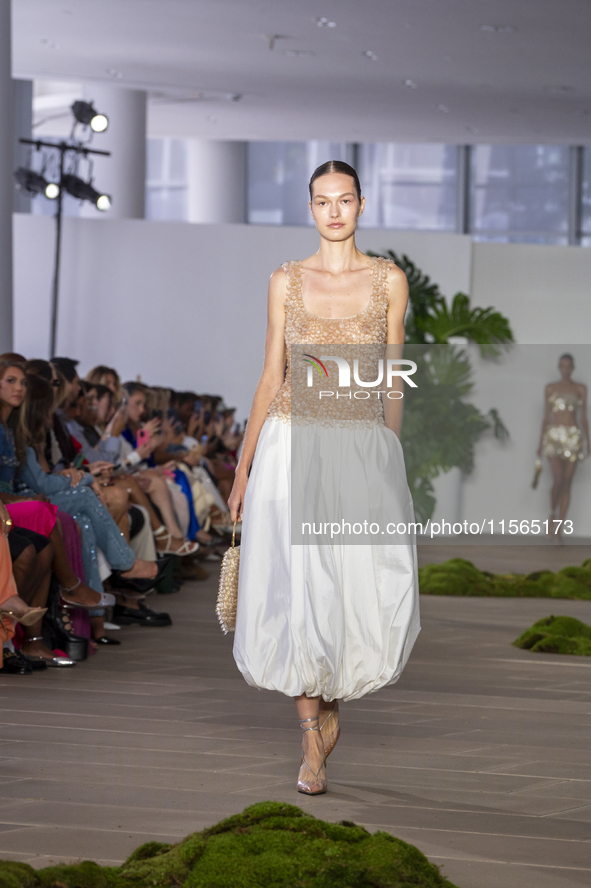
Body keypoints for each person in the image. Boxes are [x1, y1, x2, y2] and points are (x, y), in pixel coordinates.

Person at [229, 160, 420, 796]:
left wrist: (389, 454)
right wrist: (242, 468)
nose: (333, 211)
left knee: (352, 584)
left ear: (362, 205)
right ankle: (310, 735)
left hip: (359, 445)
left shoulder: (389, 281)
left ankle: (330, 694)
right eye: (321, 201)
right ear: (309, 208)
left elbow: (392, 377)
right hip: (290, 443)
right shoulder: (284, 281)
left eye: (344, 200)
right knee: (298, 585)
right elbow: (269, 377)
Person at [537, 353, 589, 536]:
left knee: (567, 482)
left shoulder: (580, 389)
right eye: (562, 366)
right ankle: (552, 511)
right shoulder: (551, 388)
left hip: (573, 437)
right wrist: (539, 444)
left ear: (573, 368)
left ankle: (559, 526)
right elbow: (546, 417)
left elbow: (583, 417)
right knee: (558, 479)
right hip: (554, 436)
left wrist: (588, 442)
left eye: (568, 366)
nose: (565, 369)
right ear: (559, 367)